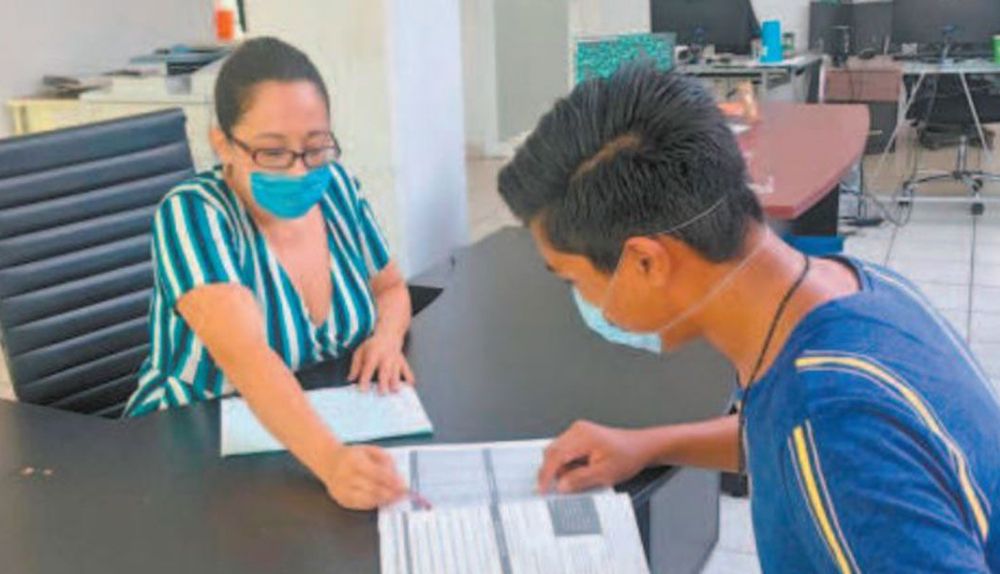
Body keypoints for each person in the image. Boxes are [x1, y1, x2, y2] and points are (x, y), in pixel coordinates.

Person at [498, 64, 1000, 572]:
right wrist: (645, 447)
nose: (578, 299)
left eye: (571, 280)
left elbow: (826, 439)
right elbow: (779, 432)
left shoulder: (834, 423)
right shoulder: (849, 288)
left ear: (647, 262)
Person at [123, 37, 411, 510]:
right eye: (273, 153)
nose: (299, 172)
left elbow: (391, 287)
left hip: (301, 428)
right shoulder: (193, 214)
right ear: (223, 143)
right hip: (190, 449)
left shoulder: (337, 188)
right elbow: (248, 359)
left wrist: (387, 337)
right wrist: (332, 462)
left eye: (315, 147)